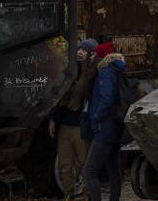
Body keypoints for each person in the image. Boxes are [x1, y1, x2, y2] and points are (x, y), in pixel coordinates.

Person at [50, 38, 99, 200]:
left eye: (83, 50)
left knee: (84, 164)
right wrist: (53, 120)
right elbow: (58, 98)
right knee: (64, 164)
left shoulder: (92, 75)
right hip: (65, 124)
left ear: (91, 54)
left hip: (80, 126)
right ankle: (68, 194)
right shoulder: (69, 73)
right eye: (78, 49)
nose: (79, 52)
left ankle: (87, 195)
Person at [83, 52, 128, 201]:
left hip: (105, 128)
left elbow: (107, 99)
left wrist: (96, 117)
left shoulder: (105, 72)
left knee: (89, 170)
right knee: (114, 171)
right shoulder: (118, 71)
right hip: (115, 127)